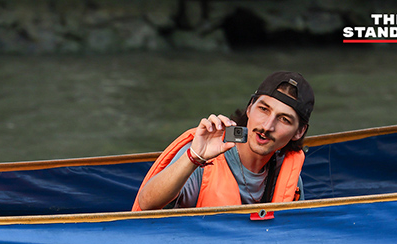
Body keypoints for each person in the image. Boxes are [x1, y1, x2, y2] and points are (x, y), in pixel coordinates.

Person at [132, 71, 314, 211]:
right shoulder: (203, 152)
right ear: (250, 109)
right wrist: (195, 157)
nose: (267, 126)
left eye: (284, 119)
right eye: (264, 109)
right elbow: (147, 203)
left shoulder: (290, 176)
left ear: (299, 132)